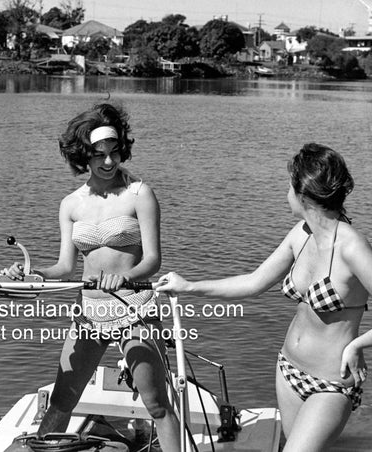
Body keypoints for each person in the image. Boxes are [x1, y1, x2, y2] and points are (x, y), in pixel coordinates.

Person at [155, 143, 371, 451]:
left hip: (332, 383)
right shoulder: (301, 233)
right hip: (288, 371)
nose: (286, 193)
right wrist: (188, 286)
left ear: (304, 194)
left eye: (289, 186)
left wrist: (357, 344)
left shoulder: (351, 247)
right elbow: (254, 282)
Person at [4, 103, 181, 451]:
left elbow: (153, 261)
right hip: (89, 313)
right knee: (61, 400)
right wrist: (33, 274)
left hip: (135, 309)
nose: (109, 162)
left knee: (157, 404)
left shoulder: (139, 194)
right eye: (99, 155)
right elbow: (64, 267)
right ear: (82, 155)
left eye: (115, 153)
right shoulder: (71, 204)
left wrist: (127, 277)